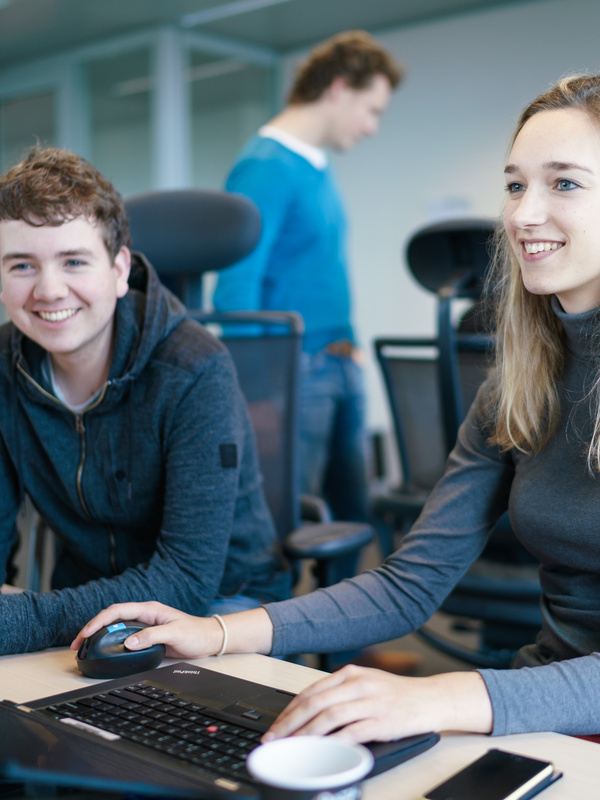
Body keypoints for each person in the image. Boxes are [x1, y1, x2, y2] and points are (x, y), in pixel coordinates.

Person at [76, 72, 600, 741]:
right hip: (538, 710)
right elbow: (409, 584)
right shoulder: (521, 380)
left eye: (564, 183)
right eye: (515, 184)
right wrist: (212, 634)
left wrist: (437, 698)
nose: (523, 214)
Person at [0, 147, 290, 656]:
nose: (48, 289)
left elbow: (187, 579)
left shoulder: (195, 368)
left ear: (118, 270)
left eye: (73, 261)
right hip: (84, 597)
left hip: (220, 607)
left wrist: (23, 619)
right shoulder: (4, 366)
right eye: (21, 265)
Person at [213, 31, 402, 525]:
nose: (372, 127)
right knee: (285, 524)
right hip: (292, 372)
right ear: (339, 87)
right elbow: (236, 289)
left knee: (351, 518)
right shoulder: (264, 166)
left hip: (335, 364)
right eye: (371, 109)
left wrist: (349, 344)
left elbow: (322, 272)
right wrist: (254, 395)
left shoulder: (315, 166)